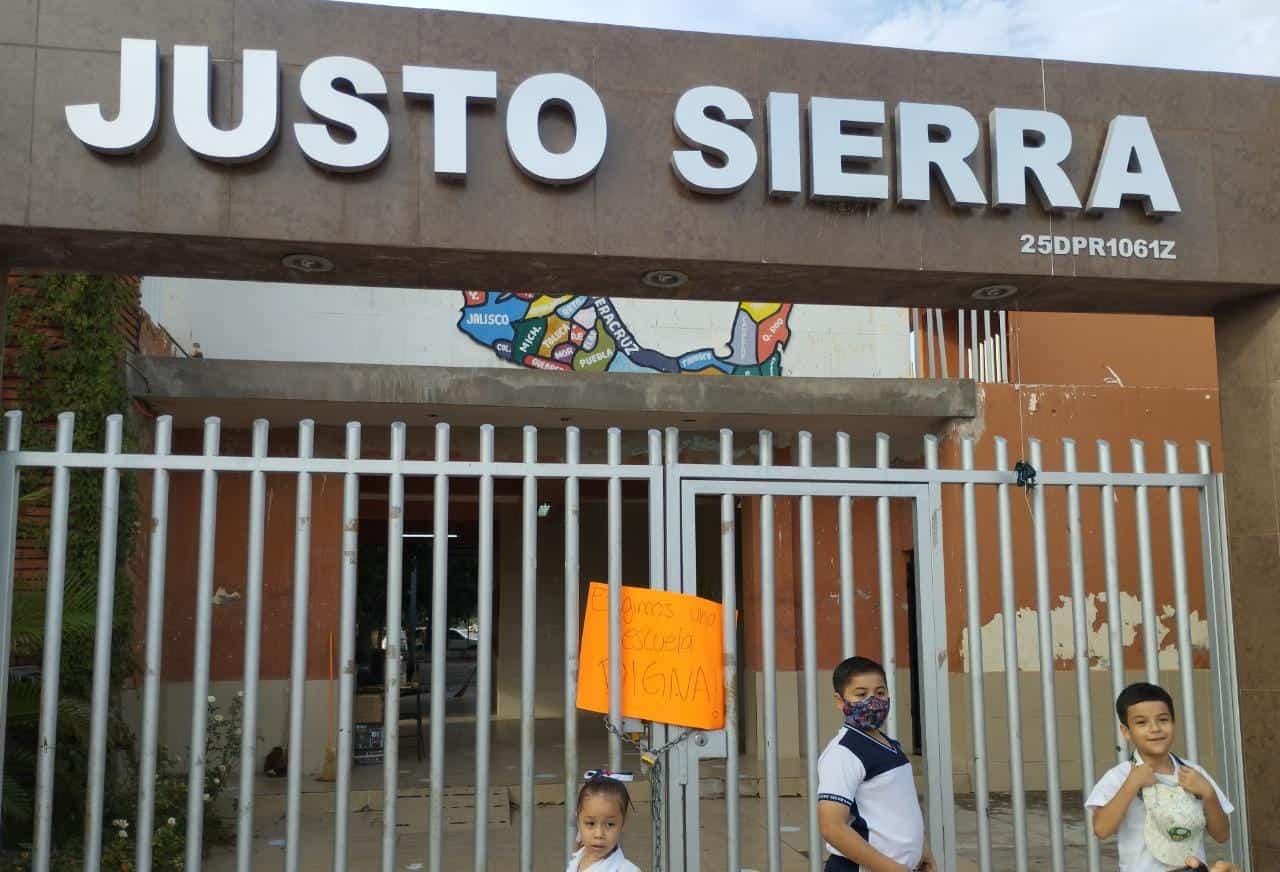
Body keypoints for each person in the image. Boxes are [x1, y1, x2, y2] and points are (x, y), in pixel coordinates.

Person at [1086, 682, 1233, 871]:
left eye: (1163, 720)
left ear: (1174, 723)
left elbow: (1222, 835)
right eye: (1142, 722)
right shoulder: (1118, 776)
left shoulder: (1194, 773)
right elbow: (1101, 830)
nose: (1155, 728)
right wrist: (1131, 784)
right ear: (1126, 732)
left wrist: (1209, 794)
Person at [816, 655, 935, 872]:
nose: (873, 702)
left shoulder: (889, 745)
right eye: (861, 694)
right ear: (840, 701)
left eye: (880, 693)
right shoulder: (843, 753)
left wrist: (920, 850)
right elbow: (832, 827)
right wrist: (891, 869)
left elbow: (897, 807)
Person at [566, 773, 641, 872]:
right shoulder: (578, 858)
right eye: (590, 823)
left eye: (610, 824)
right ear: (578, 821)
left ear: (623, 822)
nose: (599, 834)